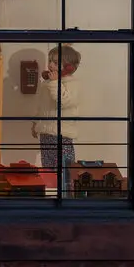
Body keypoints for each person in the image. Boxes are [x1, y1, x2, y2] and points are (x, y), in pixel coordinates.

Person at [32, 45, 82, 196]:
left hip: (62, 133)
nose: (51, 65)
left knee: (64, 166)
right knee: (48, 166)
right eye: (50, 61)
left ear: (68, 67)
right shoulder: (46, 83)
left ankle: (66, 193)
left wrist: (55, 83)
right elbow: (40, 106)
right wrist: (35, 123)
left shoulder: (72, 84)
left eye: (55, 62)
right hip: (46, 131)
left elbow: (64, 101)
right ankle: (52, 192)